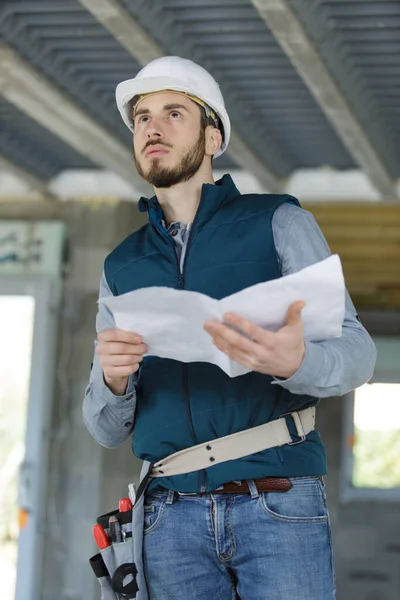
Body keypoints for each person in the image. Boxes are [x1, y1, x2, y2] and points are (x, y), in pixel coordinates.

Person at [83, 56, 376, 600]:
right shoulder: (120, 266)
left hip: (277, 501)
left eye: (174, 113)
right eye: (142, 116)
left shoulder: (280, 223)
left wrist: (297, 363)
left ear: (212, 136)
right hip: (165, 518)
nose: (152, 126)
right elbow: (104, 429)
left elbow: (357, 354)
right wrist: (115, 380)